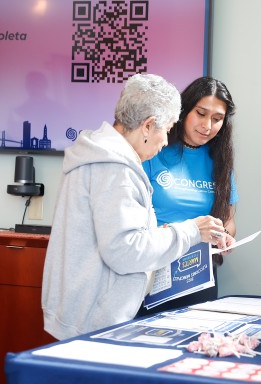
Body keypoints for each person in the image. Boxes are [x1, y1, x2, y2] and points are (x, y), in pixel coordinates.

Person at [41, 74, 229, 341]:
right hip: (97, 318)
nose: (165, 141)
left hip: (84, 309)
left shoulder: (97, 153)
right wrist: (190, 231)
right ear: (148, 126)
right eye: (166, 129)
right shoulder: (116, 168)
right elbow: (125, 250)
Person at [139, 76, 238, 314]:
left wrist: (224, 235)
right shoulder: (154, 151)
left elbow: (229, 221)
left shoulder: (220, 163)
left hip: (199, 276)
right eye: (201, 114)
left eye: (217, 119)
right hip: (153, 273)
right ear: (184, 111)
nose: (207, 125)